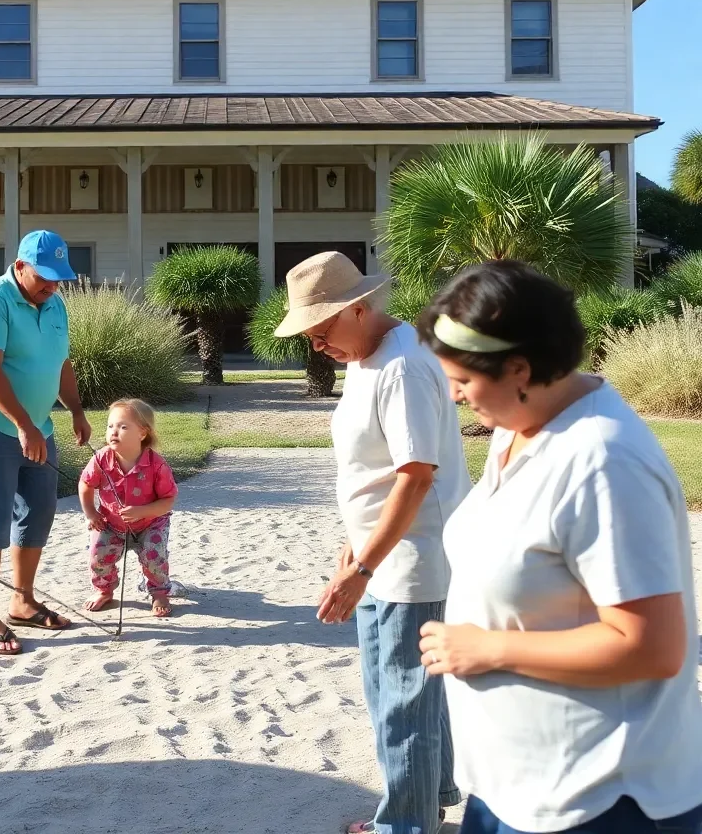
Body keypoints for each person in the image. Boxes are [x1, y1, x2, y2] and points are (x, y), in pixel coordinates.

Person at [415, 260, 702, 834]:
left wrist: (488, 649)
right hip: (515, 785)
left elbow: (652, 647)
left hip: (600, 796)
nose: (452, 395)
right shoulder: (519, 425)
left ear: (520, 369)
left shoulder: (602, 461)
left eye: (464, 381)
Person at [274, 251, 468, 834]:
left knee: (402, 700)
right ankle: (427, 801)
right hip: (384, 554)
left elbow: (415, 475)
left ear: (358, 310)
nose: (316, 345)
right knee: (402, 693)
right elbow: (376, 469)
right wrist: (354, 544)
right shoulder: (372, 356)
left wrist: (361, 567)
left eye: (321, 329)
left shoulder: (402, 366)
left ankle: (406, 825)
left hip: (411, 561)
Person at [0, 229, 92, 655]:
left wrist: (77, 409)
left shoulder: (55, 304)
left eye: (59, 277)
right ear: (19, 267)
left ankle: (23, 601)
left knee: (37, 511)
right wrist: (23, 425)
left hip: (39, 426)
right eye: (45, 275)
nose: (53, 284)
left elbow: (61, 362)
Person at [79, 399, 179, 619]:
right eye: (110, 426)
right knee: (98, 556)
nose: (114, 431)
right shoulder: (101, 459)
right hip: (110, 523)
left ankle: (160, 593)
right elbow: (85, 484)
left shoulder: (156, 464)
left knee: (154, 556)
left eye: (123, 427)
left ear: (142, 433)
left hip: (150, 522)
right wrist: (91, 512)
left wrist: (142, 512)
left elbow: (168, 500)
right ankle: (104, 590)